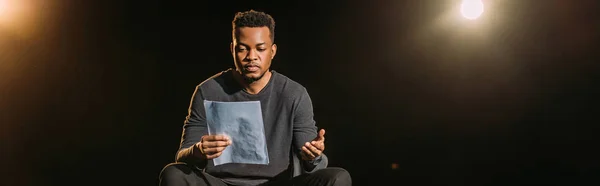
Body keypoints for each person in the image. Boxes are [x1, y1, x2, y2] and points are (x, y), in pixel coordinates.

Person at [159, 10, 351, 186]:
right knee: (172, 174)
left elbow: (314, 163)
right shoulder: (207, 90)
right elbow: (182, 157)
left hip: (275, 183)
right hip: (220, 183)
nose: (252, 57)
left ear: (272, 51)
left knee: (338, 178)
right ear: (232, 49)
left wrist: (313, 156)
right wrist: (198, 150)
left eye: (260, 49)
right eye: (243, 49)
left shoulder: (293, 93)